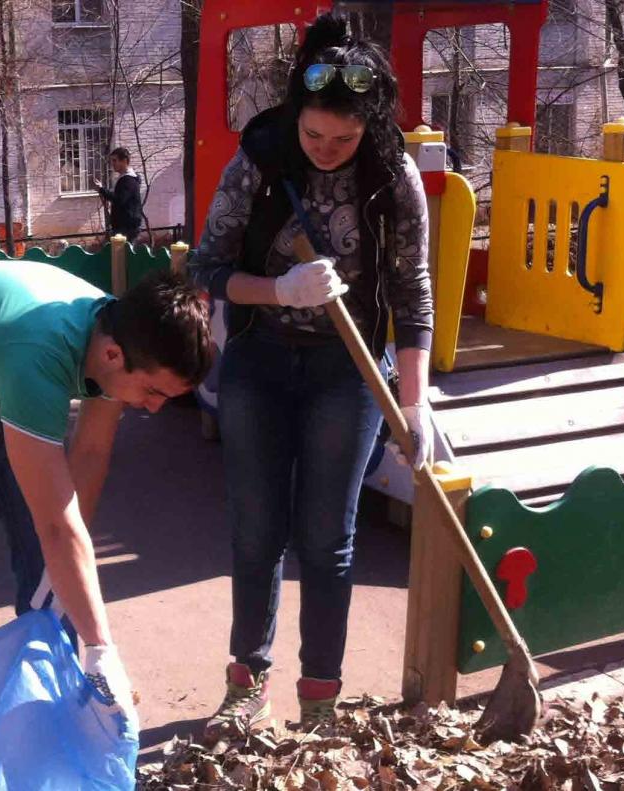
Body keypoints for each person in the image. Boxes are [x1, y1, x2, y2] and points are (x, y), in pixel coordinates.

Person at [189, 14, 434, 737]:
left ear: (372, 124)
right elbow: (205, 266)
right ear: (297, 116)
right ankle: (246, 681)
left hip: (348, 374)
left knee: (329, 537)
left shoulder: (394, 178)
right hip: (260, 362)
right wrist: (279, 289)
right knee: (256, 529)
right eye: (315, 136)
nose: (327, 151)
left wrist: (414, 403)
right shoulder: (261, 159)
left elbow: (413, 288)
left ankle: (320, 696)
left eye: (345, 139)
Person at [0, 260, 213, 719]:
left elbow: (90, 456)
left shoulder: (117, 338)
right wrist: (101, 648)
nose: (156, 409)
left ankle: (42, 722)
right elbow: (57, 526)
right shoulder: (40, 357)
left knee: (52, 580)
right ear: (114, 356)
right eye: (153, 391)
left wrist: (63, 585)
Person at [93, 147, 143, 241]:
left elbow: (119, 200)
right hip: (124, 226)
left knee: (123, 255)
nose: (112, 164)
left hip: (127, 228)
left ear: (124, 161)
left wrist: (102, 190)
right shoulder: (125, 178)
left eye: (115, 160)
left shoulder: (128, 180)